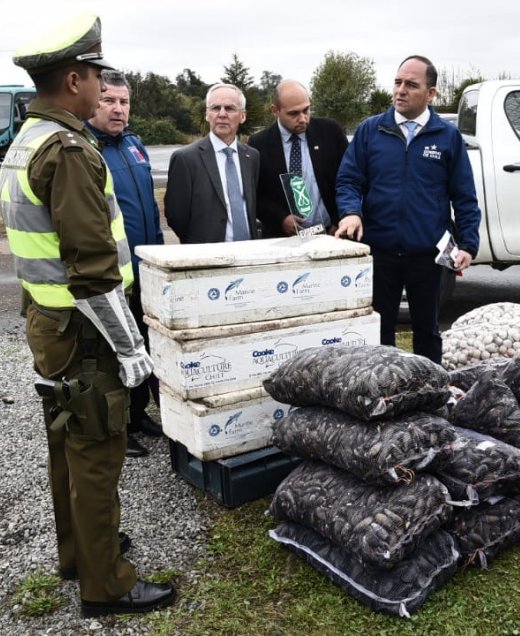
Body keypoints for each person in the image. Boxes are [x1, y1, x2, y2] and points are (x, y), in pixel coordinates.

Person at [0, 13, 175, 616]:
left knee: (66, 446)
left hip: (49, 326)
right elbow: (93, 270)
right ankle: (108, 583)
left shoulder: (26, 140)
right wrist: (131, 349)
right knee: (98, 453)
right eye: (97, 75)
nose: (104, 87)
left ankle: (78, 554)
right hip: (87, 332)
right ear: (74, 79)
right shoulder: (69, 150)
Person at [334, 55, 480, 364]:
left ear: (431, 94)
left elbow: (464, 195)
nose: (401, 90)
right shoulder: (371, 131)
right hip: (380, 251)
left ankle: (430, 397)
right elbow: (348, 179)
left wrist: (468, 243)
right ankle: (381, 398)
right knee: (379, 332)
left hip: (428, 255)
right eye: (398, 82)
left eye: (411, 85)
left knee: (427, 331)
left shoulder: (447, 136)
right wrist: (350, 212)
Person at [85, 70, 165, 457]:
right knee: (115, 350)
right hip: (113, 274)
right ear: (93, 103)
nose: (118, 109)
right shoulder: (85, 148)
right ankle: (117, 429)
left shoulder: (134, 145)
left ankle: (138, 414)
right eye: (108, 101)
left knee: (144, 343)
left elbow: (149, 205)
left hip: (145, 267)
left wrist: (161, 254)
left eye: (124, 102)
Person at [248, 79, 349, 237]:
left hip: (333, 233)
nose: (303, 118)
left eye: (306, 110)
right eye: (293, 113)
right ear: (275, 110)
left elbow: (349, 179)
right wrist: (280, 219)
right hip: (284, 240)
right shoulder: (258, 144)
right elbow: (255, 195)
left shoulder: (330, 132)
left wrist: (339, 220)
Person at [164, 83, 260, 244]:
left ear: (242, 116)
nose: (222, 114)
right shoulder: (185, 159)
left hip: (249, 255)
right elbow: (176, 216)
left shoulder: (252, 157)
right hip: (206, 256)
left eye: (229, 108)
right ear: (207, 114)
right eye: (215, 108)